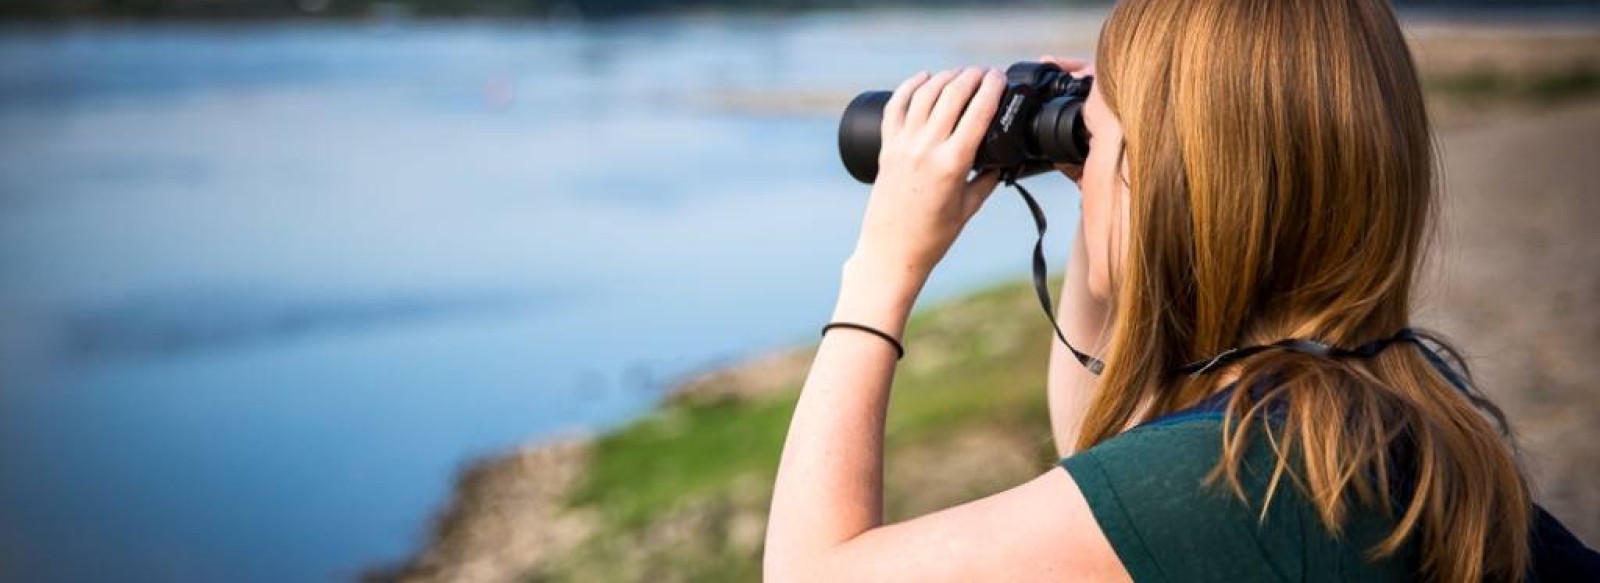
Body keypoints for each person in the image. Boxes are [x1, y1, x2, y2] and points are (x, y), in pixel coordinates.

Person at [762, 0, 1599, 581]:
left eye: (1103, 147)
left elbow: (808, 573)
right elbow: (1101, 455)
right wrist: (1108, 180)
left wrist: (881, 270)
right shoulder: (1378, 398)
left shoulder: (1245, 480)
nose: (1089, 169)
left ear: (1167, 184)